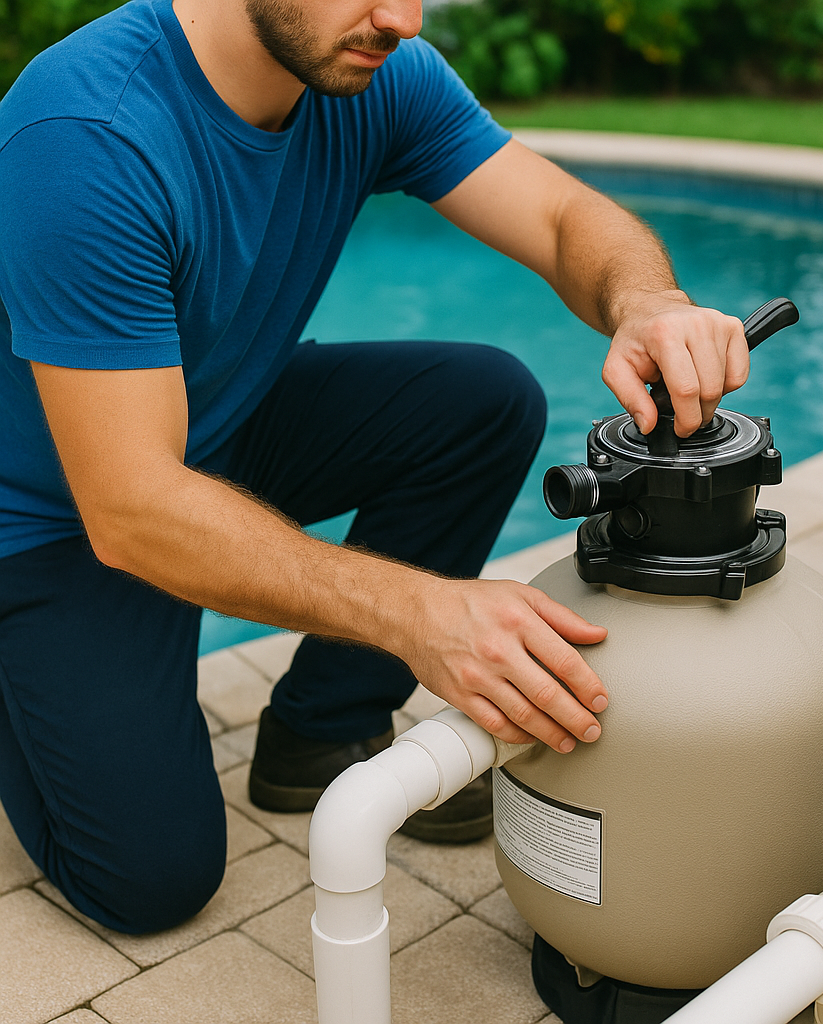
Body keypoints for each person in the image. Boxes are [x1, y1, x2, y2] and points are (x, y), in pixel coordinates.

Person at [0, 0, 750, 935]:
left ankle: (320, 733)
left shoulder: (369, 65)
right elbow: (133, 509)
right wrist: (420, 615)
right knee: (152, 881)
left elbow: (560, 215)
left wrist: (648, 301)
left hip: (210, 425)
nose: (399, 16)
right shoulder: (88, 133)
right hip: (53, 517)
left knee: (482, 401)